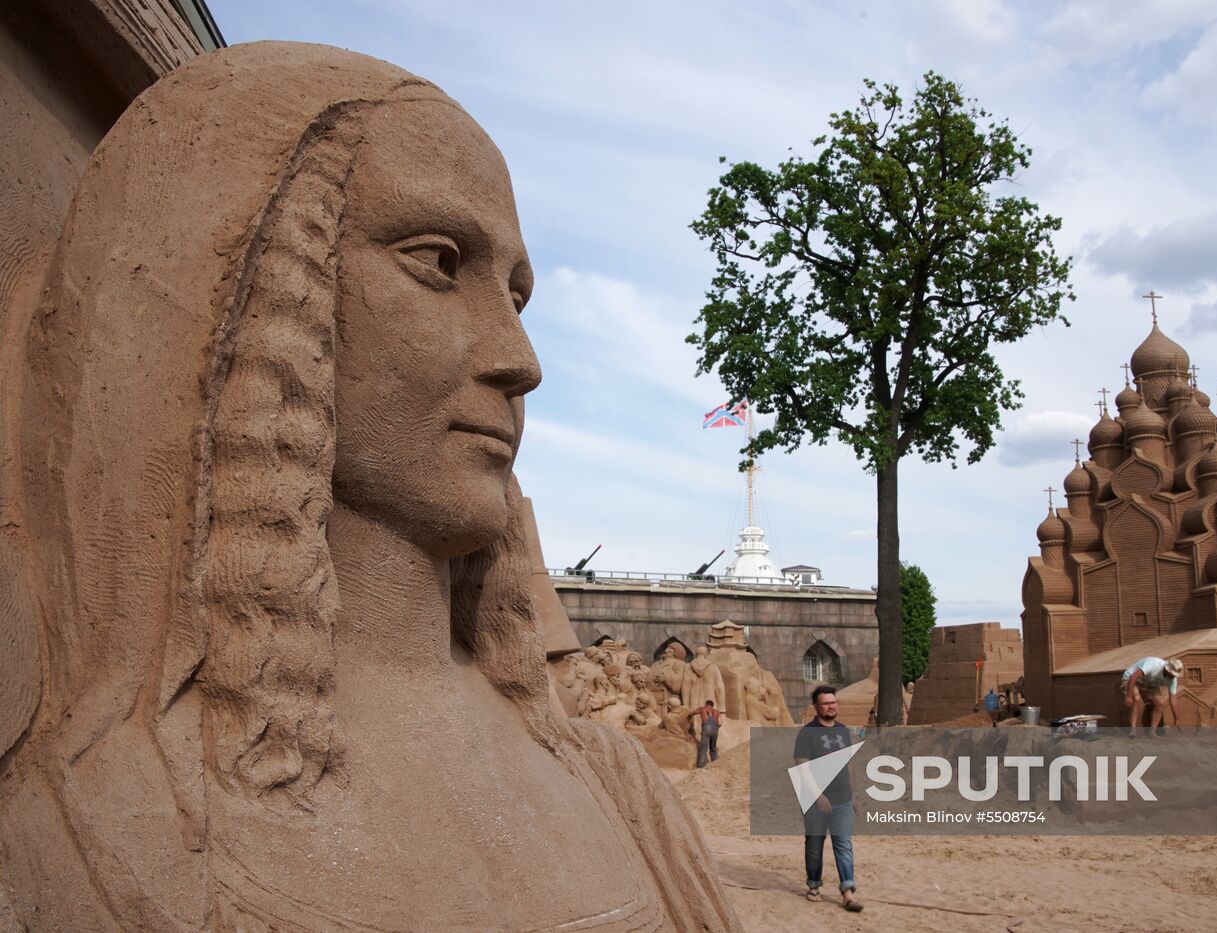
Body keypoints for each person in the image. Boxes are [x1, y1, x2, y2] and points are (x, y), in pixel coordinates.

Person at [0, 42, 741, 931]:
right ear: (265, 292)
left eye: (516, 293)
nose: (521, 360)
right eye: (438, 262)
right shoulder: (113, 827)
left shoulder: (619, 789)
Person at [793, 686, 863, 912]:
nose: (832, 706)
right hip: (815, 801)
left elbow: (850, 764)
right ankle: (814, 885)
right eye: (826, 703)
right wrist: (818, 795)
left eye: (834, 702)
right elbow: (802, 767)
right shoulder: (806, 733)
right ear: (817, 706)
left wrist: (854, 794)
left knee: (843, 844)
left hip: (842, 799)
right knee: (814, 845)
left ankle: (848, 892)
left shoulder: (843, 731)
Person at [1122, 656, 1184, 736]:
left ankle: (1152, 733)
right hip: (1131, 678)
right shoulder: (1153, 665)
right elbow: (1134, 676)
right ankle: (1133, 730)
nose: (1173, 677)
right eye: (1172, 674)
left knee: (1160, 703)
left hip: (1149, 684)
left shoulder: (1172, 680)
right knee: (1136, 699)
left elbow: (1173, 699)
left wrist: (1177, 719)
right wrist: (1129, 696)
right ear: (1167, 669)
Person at [688, 699, 723, 768]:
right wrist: (716, 727)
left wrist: (688, 715)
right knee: (713, 748)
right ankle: (715, 764)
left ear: (706, 704)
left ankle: (701, 765)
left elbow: (691, 713)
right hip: (715, 730)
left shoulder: (702, 708)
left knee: (704, 748)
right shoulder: (717, 712)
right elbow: (721, 723)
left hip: (706, 728)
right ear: (712, 706)